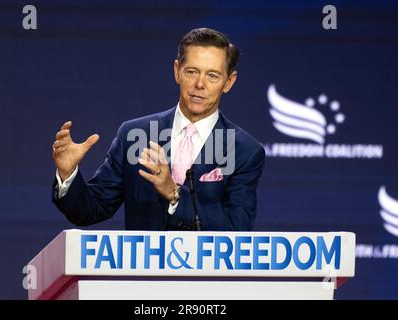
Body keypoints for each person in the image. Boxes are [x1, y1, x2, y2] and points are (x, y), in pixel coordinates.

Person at [52, 27, 265, 231]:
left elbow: (236, 229)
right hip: (144, 270)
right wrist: (68, 174)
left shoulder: (244, 150)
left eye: (212, 76)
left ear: (229, 82)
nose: (200, 84)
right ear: (177, 72)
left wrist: (174, 194)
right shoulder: (136, 135)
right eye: (192, 71)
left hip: (206, 270)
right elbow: (91, 210)